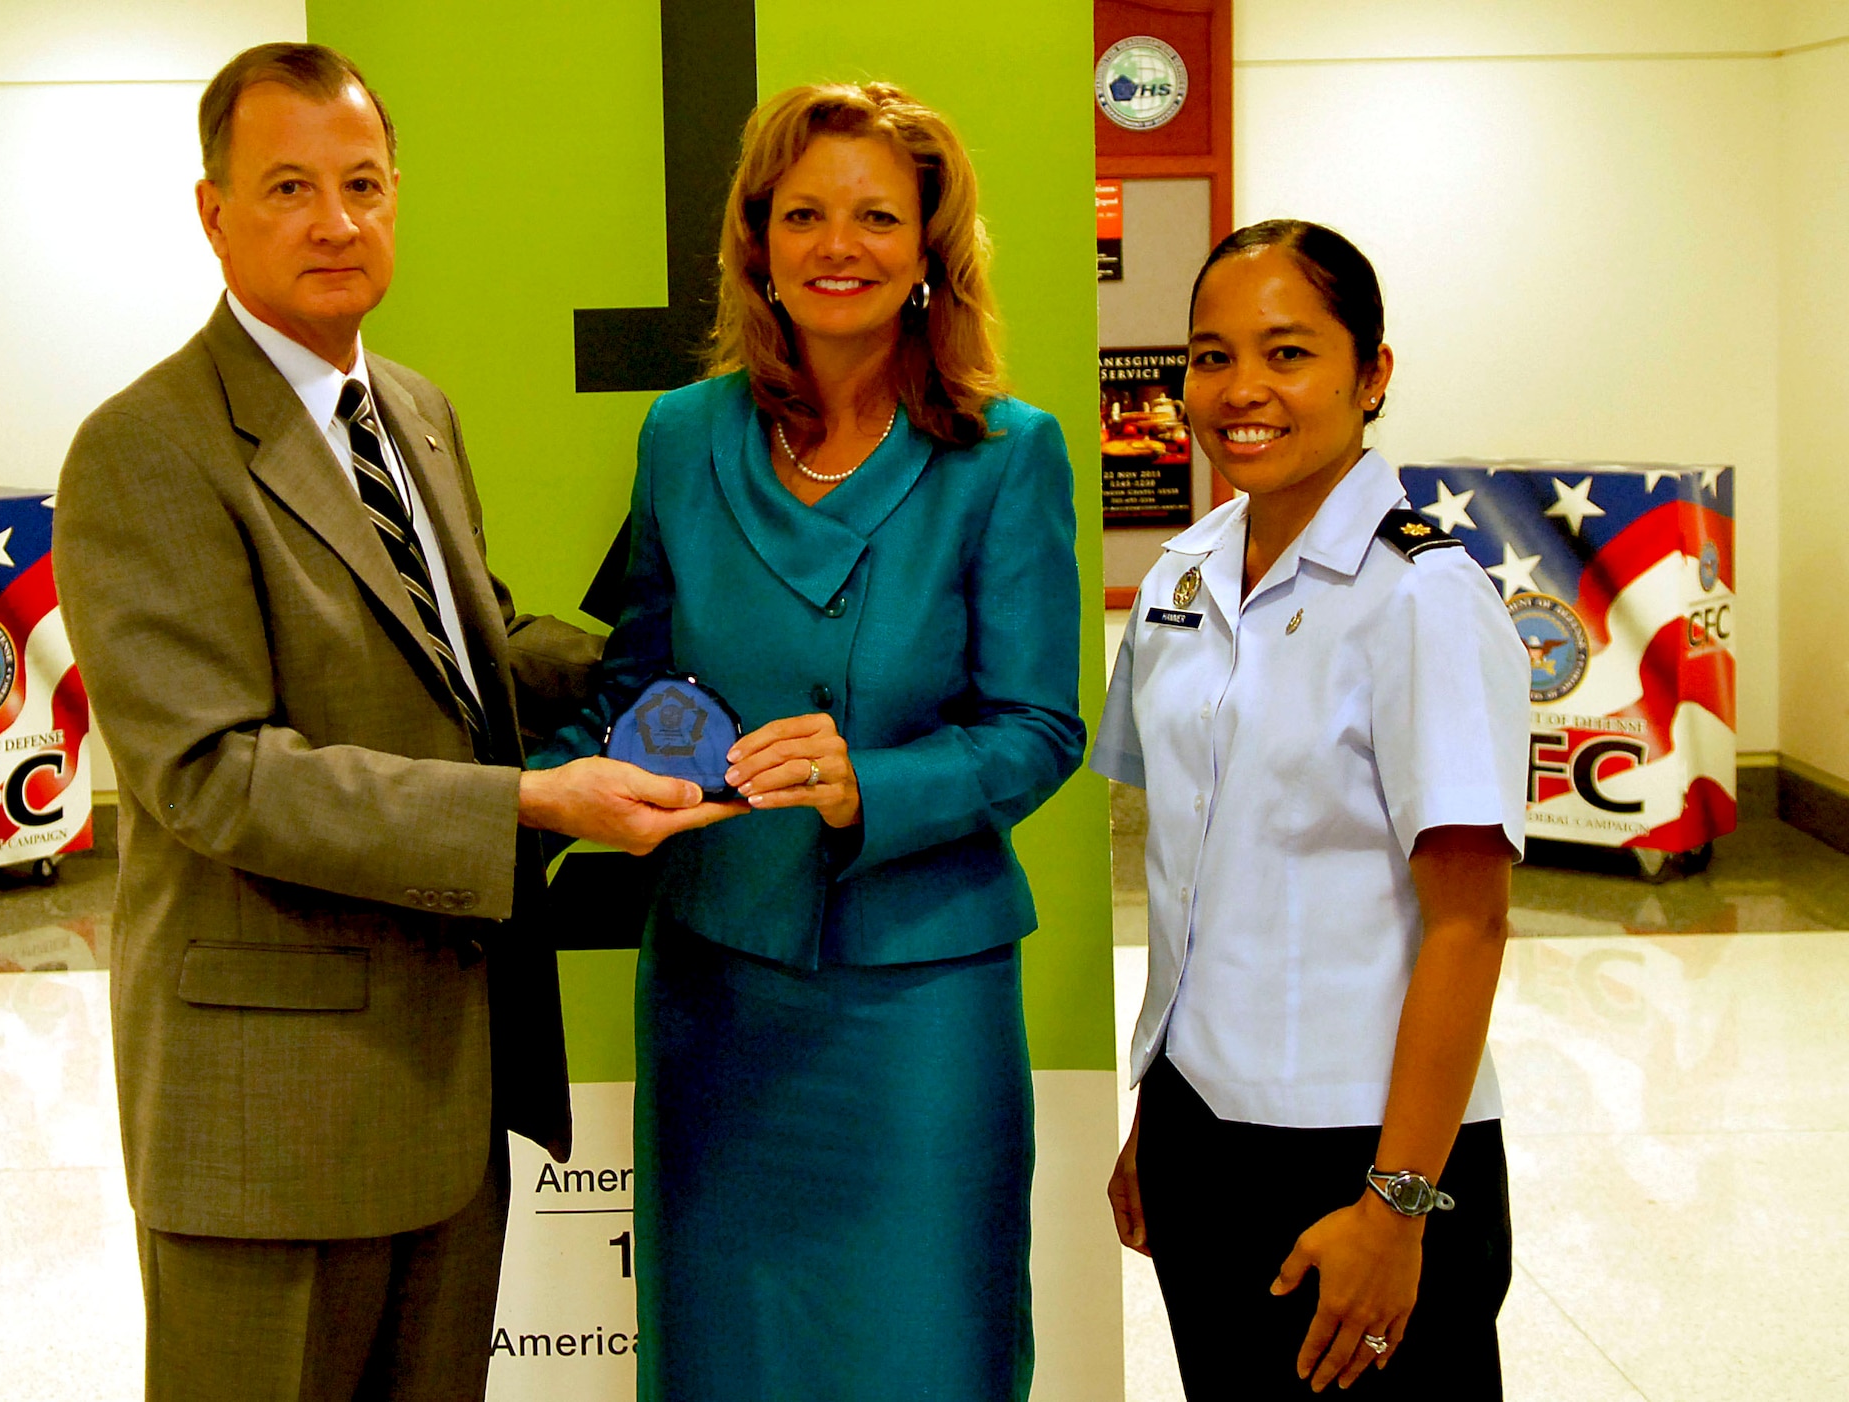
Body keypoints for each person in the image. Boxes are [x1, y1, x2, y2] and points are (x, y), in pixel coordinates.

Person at [53, 43, 735, 1402]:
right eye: (290, 186)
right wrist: (532, 803)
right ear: (213, 212)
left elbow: (474, 649)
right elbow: (213, 775)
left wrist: (687, 672)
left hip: (443, 1085)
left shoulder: (410, 410)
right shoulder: (147, 448)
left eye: (362, 183)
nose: (335, 220)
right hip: (266, 1118)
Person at [533, 82, 1085, 1400]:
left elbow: (1039, 728)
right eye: (806, 214)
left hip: (919, 1003)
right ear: (758, 241)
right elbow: (651, 675)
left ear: (929, 249)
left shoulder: (1009, 456)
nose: (839, 244)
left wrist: (867, 784)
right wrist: (550, 785)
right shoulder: (682, 435)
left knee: (923, 1347)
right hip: (716, 988)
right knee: (726, 1353)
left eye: (876, 216)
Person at [1093, 220, 1529, 1399]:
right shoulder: (1183, 577)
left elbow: (1467, 925)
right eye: (1208, 354)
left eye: (1286, 354)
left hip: (1366, 1155)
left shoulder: (1422, 597)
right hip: (1201, 1133)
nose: (1239, 391)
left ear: (1370, 372)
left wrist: (1395, 1210)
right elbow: (1198, 880)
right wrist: (1160, 1115)